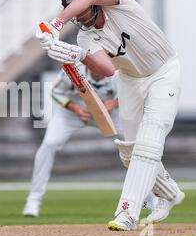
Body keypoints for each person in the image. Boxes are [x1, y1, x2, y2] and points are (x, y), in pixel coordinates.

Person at [35, 0, 185, 230]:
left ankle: (127, 213)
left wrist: (54, 24)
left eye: (82, 10)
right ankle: (169, 193)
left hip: (164, 71)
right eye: (76, 14)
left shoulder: (119, 1)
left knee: (149, 143)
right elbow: (106, 70)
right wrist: (79, 55)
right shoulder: (85, 38)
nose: (81, 18)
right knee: (130, 151)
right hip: (131, 81)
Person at [23, 68, 122, 217]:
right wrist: (75, 108)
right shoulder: (74, 70)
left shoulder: (118, 73)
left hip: (110, 115)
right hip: (72, 114)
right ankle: (33, 200)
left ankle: (150, 198)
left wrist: (114, 103)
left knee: (135, 146)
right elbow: (55, 91)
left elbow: (135, 93)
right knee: (49, 144)